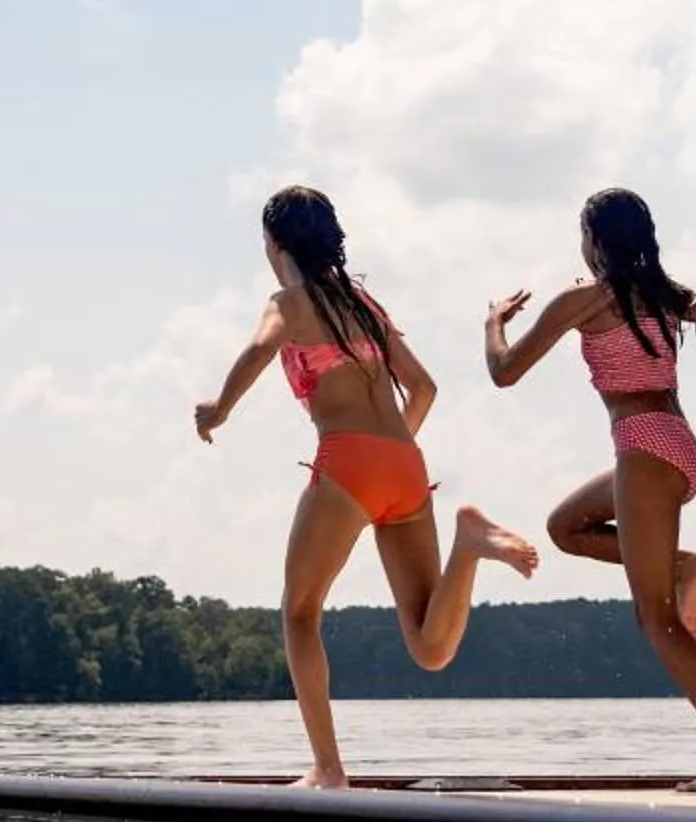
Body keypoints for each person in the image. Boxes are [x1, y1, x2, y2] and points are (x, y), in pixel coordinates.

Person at [195, 185, 540, 789]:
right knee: (430, 647)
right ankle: (470, 543)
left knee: (299, 613)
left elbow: (257, 349)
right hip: (405, 464)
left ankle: (328, 769)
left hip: (349, 461)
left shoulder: (289, 301)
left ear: (273, 244)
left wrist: (219, 409)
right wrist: (388, 455)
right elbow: (425, 387)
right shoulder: (365, 306)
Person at [485, 187, 696, 793]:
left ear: (593, 241)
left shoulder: (584, 301)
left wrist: (493, 326)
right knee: (566, 527)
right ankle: (687, 565)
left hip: (644, 450)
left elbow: (504, 373)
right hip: (673, 447)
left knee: (657, 620)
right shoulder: (666, 298)